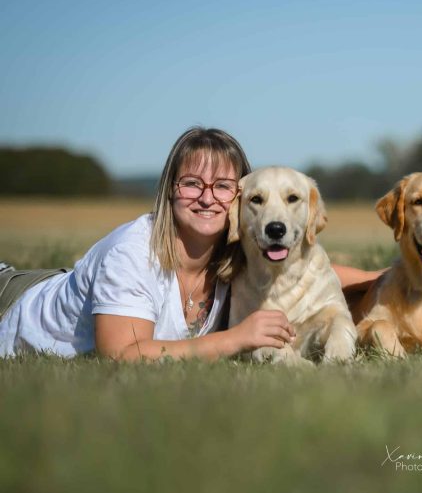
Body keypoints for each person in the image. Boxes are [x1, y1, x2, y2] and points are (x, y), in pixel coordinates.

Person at [0, 127, 296, 360]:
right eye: (192, 183)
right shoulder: (132, 252)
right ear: (170, 190)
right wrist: (235, 339)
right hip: (10, 301)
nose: (207, 198)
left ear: (240, 198)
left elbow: (313, 272)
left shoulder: (241, 248)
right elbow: (122, 354)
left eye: (222, 186)